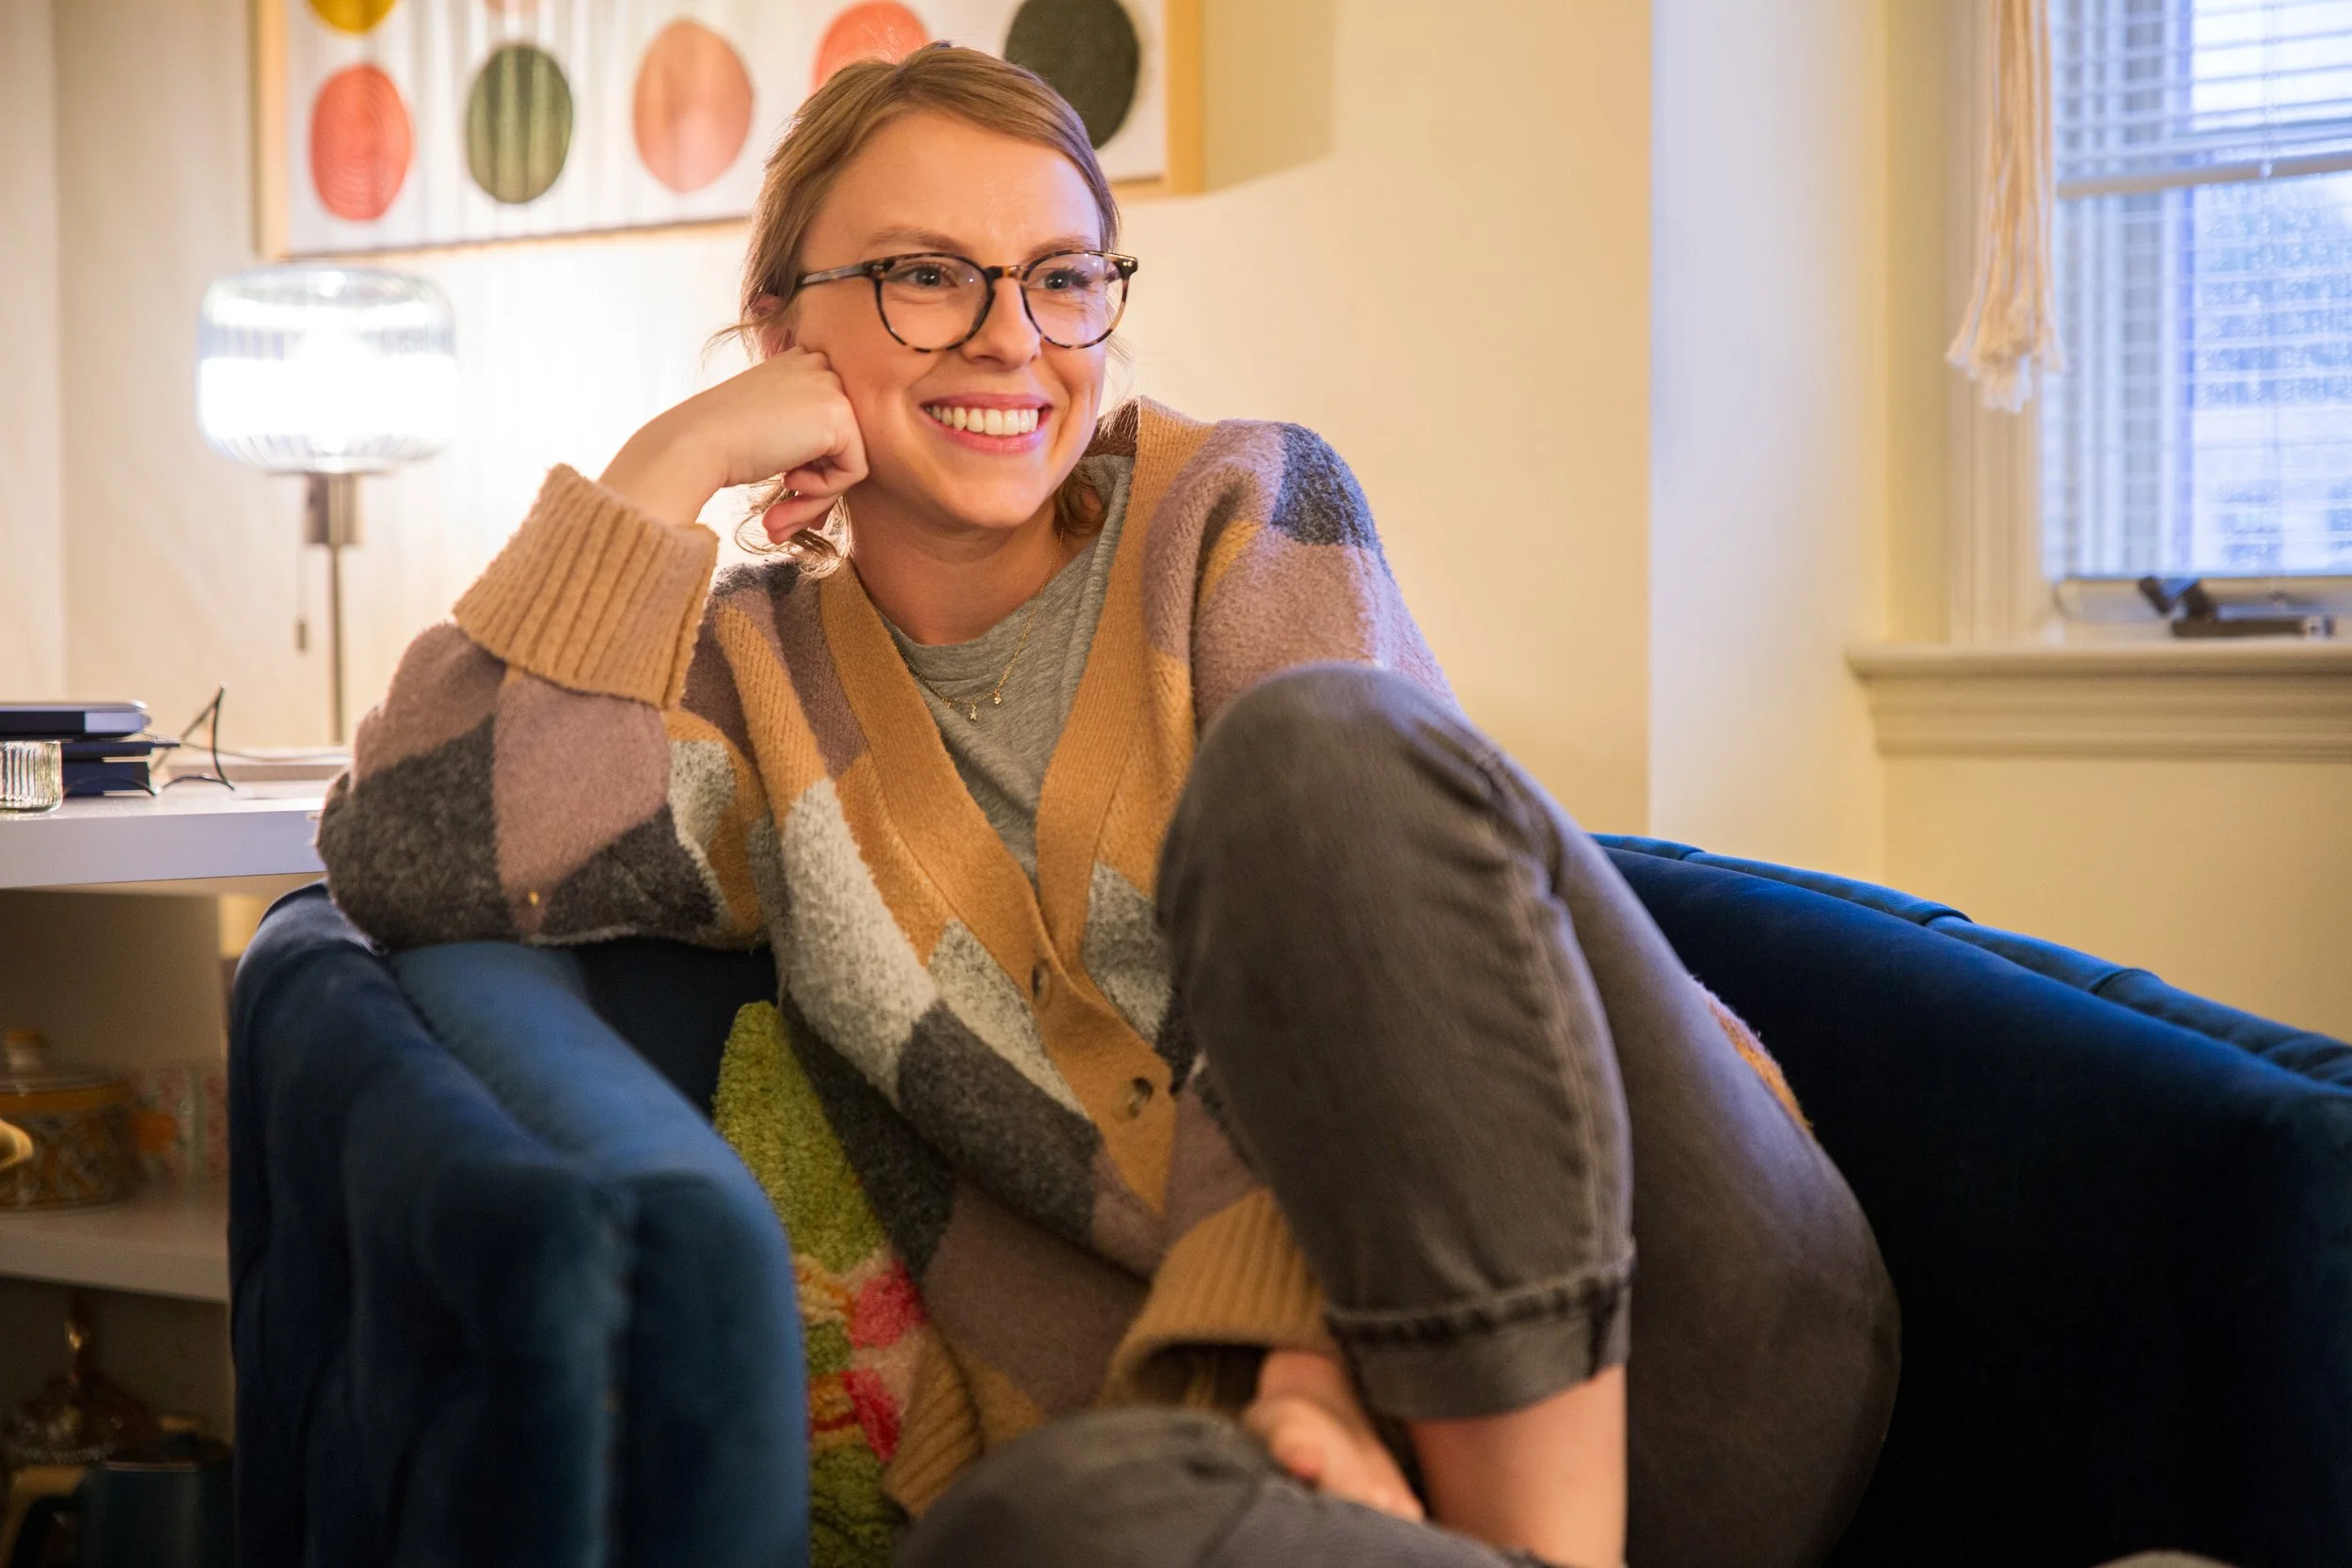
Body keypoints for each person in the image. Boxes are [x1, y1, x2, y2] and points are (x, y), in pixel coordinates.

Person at [316, 44, 1899, 1568]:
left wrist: (1305, 1351)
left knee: (1317, 765)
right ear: (783, 323)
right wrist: (668, 466)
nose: (1014, 337)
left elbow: (1368, 911)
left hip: (1670, 1329)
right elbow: (412, 842)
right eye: (927, 274)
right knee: (1024, 1530)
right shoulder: (747, 689)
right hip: (1277, 1475)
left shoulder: (1243, 508)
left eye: (1063, 276)